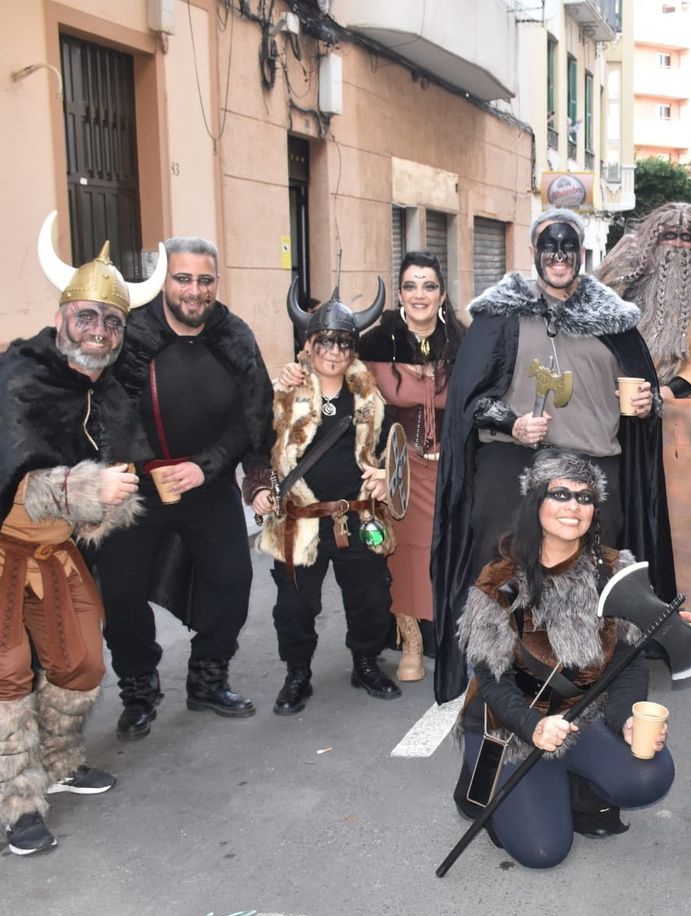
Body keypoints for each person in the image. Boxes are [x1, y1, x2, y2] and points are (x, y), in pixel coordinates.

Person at [0, 215, 161, 854]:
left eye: (111, 323)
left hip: (58, 555)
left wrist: (116, 498)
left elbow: (115, 489)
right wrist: (83, 490)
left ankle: (61, 761)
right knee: (3, 674)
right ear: (61, 318)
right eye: (87, 318)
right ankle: (17, 800)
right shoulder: (12, 377)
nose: (98, 333)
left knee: (80, 663)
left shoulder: (107, 393)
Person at [432, 206, 669, 707]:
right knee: (500, 569)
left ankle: (580, 682)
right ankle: (495, 682)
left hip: (593, 467)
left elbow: (643, 391)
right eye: (549, 247)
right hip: (516, 465)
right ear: (535, 253)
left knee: (592, 577)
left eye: (568, 248)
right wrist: (510, 421)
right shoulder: (501, 314)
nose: (559, 258)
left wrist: (648, 404)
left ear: (581, 255)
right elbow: (469, 401)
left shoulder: (613, 318)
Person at [452, 449, 674, 869]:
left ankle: (575, 784)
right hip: (508, 725)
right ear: (536, 500)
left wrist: (626, 717)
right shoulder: (500, 579)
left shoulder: (614, 570)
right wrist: (532, 726)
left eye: (585, 497)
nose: (574, 507)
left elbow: (627, 661)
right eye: (561, 494)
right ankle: (479, 783)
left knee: (647, 776)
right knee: (542, 852)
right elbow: (491, 679)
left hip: (578, 716)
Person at [99, 236, 273, 740]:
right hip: (134, 491)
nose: (194, 291)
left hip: (207, 483)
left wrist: (207, 466)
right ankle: (138, 690)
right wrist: (138, 465)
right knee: (122, 595)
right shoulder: (130, 332)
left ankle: (208, 679)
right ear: (164, 280)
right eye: (183, 278)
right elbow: (107, 408)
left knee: (233, 582)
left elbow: (252, 415)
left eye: (204, 280)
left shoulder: (234, 335)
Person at [291, 251, 462, 684]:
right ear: (400, 293)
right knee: (404, 555)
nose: (419, 294)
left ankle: (452, 634)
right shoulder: (374, 343)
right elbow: (326, 366)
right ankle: (411, 641)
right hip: (395, 470)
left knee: (454, 552)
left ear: (442, 293)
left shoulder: (464, 343)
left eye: (428, 285)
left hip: (457, 467)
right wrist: (295, 371)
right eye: (410, 285)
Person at [246, 278, 398, 714]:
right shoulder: (283, 391)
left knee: (370, 598)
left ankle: (366, 662)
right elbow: (256, 447)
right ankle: (297, 675)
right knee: (294, 606)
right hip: (299, 518)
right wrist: (257, 486)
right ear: (309, 345)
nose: (333, 351)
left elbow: (390, 451)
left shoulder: (369, 396)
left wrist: (387, 476)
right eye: (324, 342)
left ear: (353, 349)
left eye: (343, 343)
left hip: (357, 516)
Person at [596, 201, 691, 401]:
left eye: (687, 237)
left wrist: (666, 394)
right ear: (653, 240)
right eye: (670, 236)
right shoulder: (622, 281)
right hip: (614, 398)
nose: (678, 244)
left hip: (674, 408)